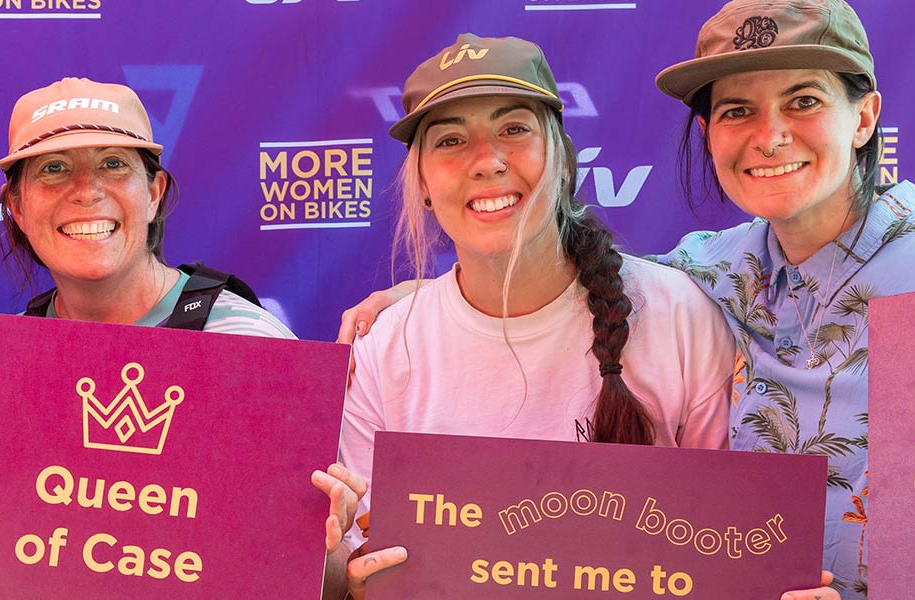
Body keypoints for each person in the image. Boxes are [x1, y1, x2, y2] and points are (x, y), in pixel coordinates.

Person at [341, 2, 915, 596]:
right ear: (710, 134)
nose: (770, 134)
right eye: (738, 111)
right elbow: (571, 279)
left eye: (804, 100)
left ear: (865, 116)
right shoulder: (710, 272)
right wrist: (432, 296)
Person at [313, 34, 739, 599]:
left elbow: (734, 539)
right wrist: (337, 569)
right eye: (450, 140)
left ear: (563, 161)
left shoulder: (680, 314)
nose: (487, 161)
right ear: (423, 185)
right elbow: (368, 566)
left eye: (514, 129)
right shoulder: (384, 346)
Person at [0, 76, 295, 549]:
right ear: (17, 207)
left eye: (113, 164)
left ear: (154, 193)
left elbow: (310, 580)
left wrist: (321, 549)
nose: (86, 190)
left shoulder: (247, 344)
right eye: (54, 168)